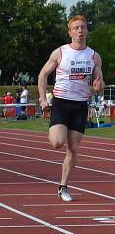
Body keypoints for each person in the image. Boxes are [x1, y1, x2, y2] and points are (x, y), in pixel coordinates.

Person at [37, 15, 104, 202]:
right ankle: (58, 130)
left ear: (87, 31)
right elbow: (42, 75)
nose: (80, 31)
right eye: (76, 28)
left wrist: (99, 86)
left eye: (83, 27)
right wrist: (43, 100)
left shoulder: (93, 56)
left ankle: (63, 187)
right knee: (57, 142)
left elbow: (100, 83)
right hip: (61, 103)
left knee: (73, 147)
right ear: (70, 32)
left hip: (80, 105)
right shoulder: (60, 53)